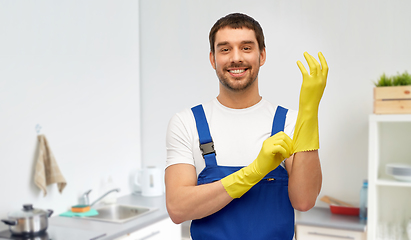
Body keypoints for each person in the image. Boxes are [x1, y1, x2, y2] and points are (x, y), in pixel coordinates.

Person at [165, 13, 328, 240]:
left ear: (261, 55)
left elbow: (305, 200)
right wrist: (253, 172)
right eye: (225, 49)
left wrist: (309, 114)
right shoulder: (186, 123)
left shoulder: (289, 122)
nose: (236, 58)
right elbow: (177, 208)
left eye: (246, 48)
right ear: (212, 59)